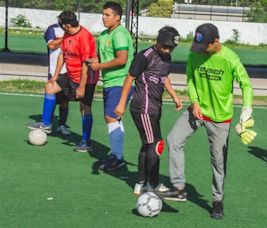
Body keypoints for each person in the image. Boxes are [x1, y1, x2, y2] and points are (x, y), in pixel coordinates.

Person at [159, 23, 256, 220]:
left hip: (221, 119)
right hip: (197, 111)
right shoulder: (195, 53)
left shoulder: (230, 58)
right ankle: (179, 187)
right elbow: (191, 79)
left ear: (216, 42)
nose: (200, 51)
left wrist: (247, 110)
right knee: (173, 140)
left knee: (218, 161)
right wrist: (194, 102)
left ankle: (218, 200)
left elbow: (246, 85)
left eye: (205, 48)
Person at [114, 26, 182, 195]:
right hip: (143, 107)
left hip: (154, 107)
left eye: (170, 48)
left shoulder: (167, 58)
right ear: (157, 42)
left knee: (148, 144)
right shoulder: (144, 57)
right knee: (156, 144)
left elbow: (163, 77)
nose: (167, 50)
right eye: (164, 46)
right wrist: (122, 103)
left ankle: (140, 183)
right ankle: (153, 184)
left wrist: (174, 95)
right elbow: (129, 78)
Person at [28, 11, 99, 152]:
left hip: (86, 79)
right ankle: (46, 123)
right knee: (50, 86)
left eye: (62, 24)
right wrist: (55, 76)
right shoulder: (67, 34)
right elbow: (62, 54)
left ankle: (86, 142)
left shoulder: (84, 37)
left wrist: (82, 87)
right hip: (70, 74)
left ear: (66, 25)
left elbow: (86, 64)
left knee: (85, 109)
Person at [86, 1, 134, 170]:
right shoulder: (104, 34)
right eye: (103, 14)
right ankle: (116, 154)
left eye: (107, 15)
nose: (103, 17)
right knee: (113, 117)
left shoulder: (120, 34)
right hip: (110, 82)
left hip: (121, 81)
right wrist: (94, 61)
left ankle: (117, 156)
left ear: (117, 17)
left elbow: (122, 59)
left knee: (111, 117)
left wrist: (98, 66)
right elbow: (103, 57)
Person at [28, 22, 71, 135]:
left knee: (65, 100)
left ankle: (62, 125)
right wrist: (66, 37)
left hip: (68, 71)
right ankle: (47, 124)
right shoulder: (52, 29)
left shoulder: (74, 30)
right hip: (54, 71)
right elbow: (51, 45)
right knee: (51, 95)